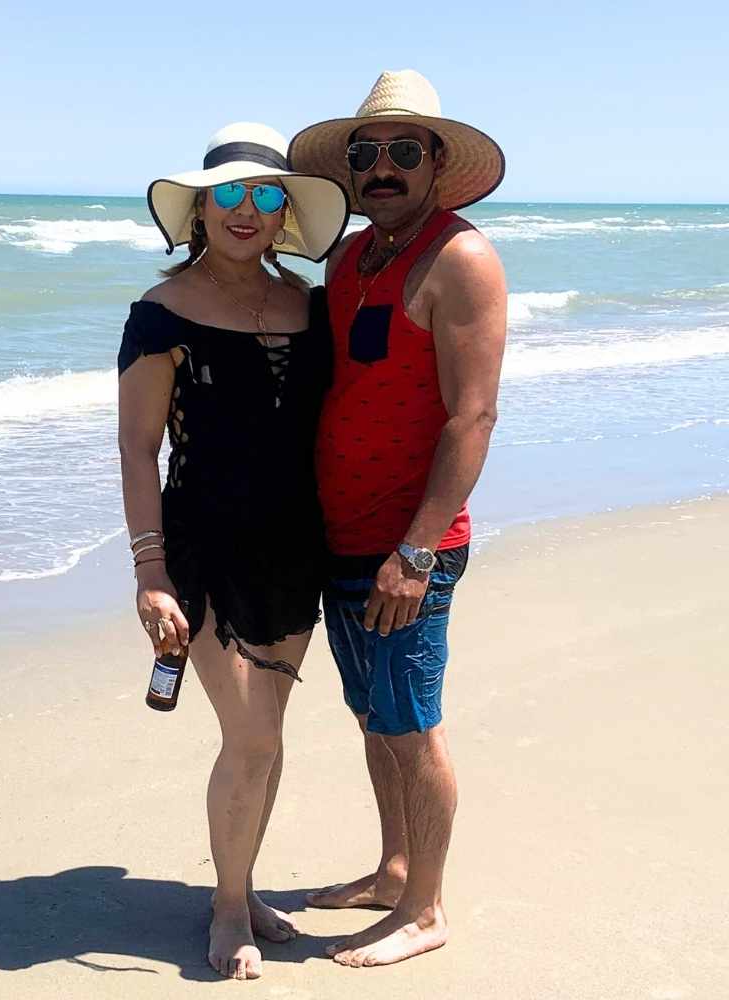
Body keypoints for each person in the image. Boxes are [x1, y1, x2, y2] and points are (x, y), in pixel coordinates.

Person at [117, 122, 348, 981]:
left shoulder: (311, 305)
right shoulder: (160, 314)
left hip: (298, 547)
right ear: (200, 211)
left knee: (269, 735)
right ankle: (225, 909)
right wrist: (149, 573)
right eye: (228, 196)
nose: (246, 211)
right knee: (249, 736)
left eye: (264, 195)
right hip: (203, 551)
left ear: (283, 210)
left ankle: (241, 884)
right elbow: (139, 448)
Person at [288, 70, 507, 967]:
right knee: (375, 715)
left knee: (412, 720)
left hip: (407, 547)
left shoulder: (460, 259)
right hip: (341, 535)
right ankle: (393, 869)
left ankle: (426, 909)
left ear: (436, 163)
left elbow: (473, 417)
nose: (381, 168)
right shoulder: (349, 257)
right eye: (366, 153)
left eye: (403, 151)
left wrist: (415, 551)